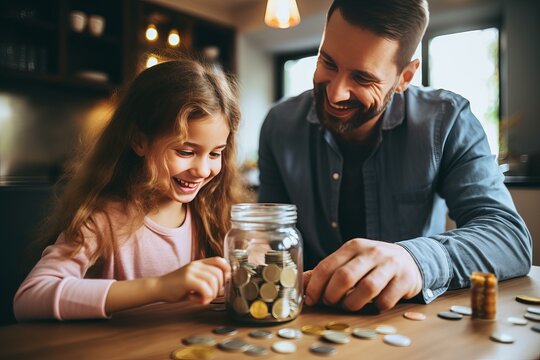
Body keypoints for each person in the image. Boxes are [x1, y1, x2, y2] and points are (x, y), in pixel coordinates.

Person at [258, 0, 532, 312]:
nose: (335, 94)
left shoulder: (447, 120)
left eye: (362, 78)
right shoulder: (278, 124)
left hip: (409, 321)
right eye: (328, 63)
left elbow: (509, 238)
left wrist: (414, 259)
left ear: (405, 77)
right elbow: (268, 234)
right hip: (305, 314)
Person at [14, 55, 245, 321]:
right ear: (139, 141)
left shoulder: (216, 213)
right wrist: (159, 286)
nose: (204, 170)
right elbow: (30, 297)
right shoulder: (103, 220)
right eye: (185, 151)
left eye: (215, 154)